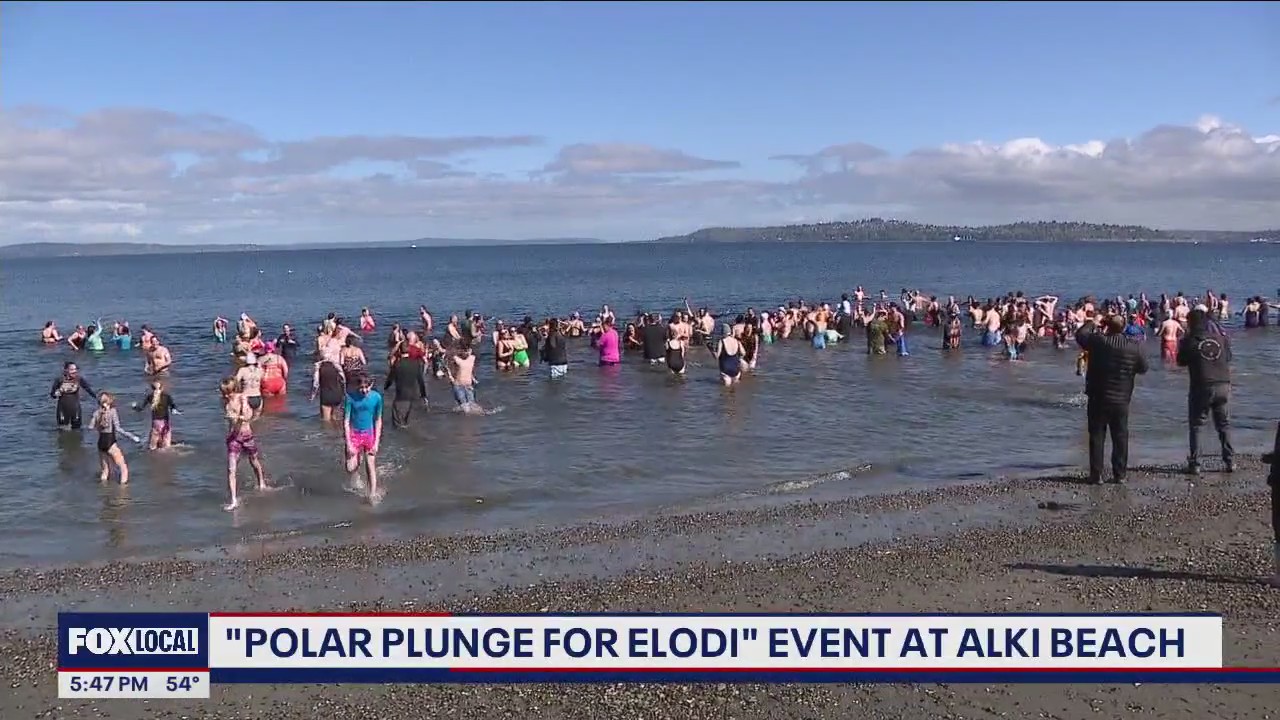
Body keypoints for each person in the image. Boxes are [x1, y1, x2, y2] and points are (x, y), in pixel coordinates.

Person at [1076, 314, 1149, 484]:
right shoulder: (1134, 346)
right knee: (1120, 436)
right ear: (1124, 328)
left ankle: (1096, 475)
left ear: (1107, 326)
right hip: (1122, 397)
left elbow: (1080, 335)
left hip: (1098, 396)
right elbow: (1143, 368)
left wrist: (1092, 322)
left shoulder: (1098, 342)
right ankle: (1120, 474)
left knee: (1096, 436)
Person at [1176, 308, 1234, 475]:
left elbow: (1180, 361)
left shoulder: (1189, 340)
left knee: (1197, 425)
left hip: (1202, 386)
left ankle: (1195, 464)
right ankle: (1229, 460)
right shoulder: (1221, 339)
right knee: (1223, 425)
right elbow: (1228, 357)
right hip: (1223, 384)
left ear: (1191, 323)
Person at [220, 376, 271, 511]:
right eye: (224, 393)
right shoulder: (224, 402)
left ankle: (261, 482)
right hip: (233, 438)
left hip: (246, 436)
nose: (226, 395)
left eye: (228, 392)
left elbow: (248, 415)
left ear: (234, 389)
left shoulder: (242, 398)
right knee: (231, 469)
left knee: (253, 460)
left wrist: (241, 415)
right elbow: (228, 419)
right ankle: (233, 500)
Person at [343, 375, 384, 502]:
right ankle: (355, 476)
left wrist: (376, 442)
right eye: (361, 388)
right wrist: (348, 442)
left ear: (371, 386)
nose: (364, 390)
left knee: (370, 464)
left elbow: (378, 420)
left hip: (369, 434)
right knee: (350, 467)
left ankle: (372, 494)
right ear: (357, 386)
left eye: (367, 387)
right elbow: (346, 421)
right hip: (354, 434)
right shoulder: (350, 398)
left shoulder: (376, 398)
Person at [90, 392, 140, 483]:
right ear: (110, 401)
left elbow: (91, 426)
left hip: (101, 443)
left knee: (105, 470)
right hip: (110, 442)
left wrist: (100, 426)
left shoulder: (96, 413)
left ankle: (103, 490)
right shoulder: (112, 412)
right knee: (123, 468)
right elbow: (118, 429)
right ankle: (123, 490)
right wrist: (131, 436)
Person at [384, 343, 428, 428]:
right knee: (408, 423)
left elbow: (390, 379)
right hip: (413, 397)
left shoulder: (397, 364)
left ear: (400, 351)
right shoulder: (416, 364)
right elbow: (421, 381)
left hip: (400, 397)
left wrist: (385, 388)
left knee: (398, 425)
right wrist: (423, 395)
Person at [132, 379, 180, 450]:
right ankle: (166, 454)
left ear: (152, 388)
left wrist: (134, 407)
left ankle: (153, 453)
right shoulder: (166, 396)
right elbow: (173, 406)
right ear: (162, 387)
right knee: (166, 441)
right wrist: (174, 410)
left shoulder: (150, 397)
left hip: (156, 422)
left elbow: (140, 408)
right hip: (165, 421)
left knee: (153, 444)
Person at [51, 361, 97, 429]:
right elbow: (52, 394)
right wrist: (56, 394)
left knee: (77, 429)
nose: (74, 371)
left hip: (75, 408)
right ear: (66, 370)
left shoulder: (79, 379)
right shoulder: (59, 380)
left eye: (75, 369)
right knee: (62, 429)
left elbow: (88, 389)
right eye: (72, 369)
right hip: (62, 408)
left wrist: (98, 398)